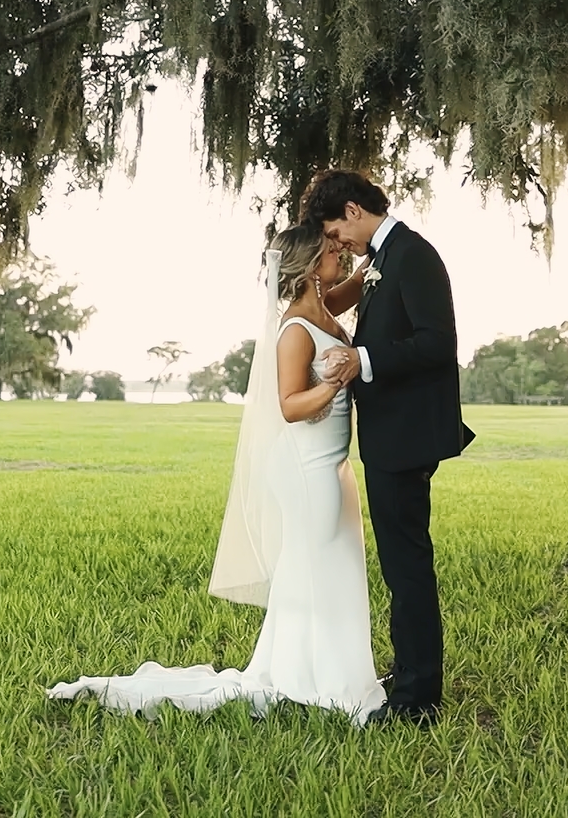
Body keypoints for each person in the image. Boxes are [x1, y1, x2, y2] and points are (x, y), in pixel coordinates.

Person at [47, 221, 387, 724]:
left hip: (333, 466)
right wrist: (338, 380)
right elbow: (291, 406)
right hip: (305, 466)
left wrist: (379, 258)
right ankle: (309, 680)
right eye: (331, 248)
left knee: (333, 571)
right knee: (310, 571)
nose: (340, 251)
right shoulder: (294, 330)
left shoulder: (325, 311)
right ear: (311, 265)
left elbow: (355, 284)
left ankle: (326, 673)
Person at [306, 169, 472, 727]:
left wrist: (363, 362)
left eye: (335, 232)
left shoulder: (412, 255)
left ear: (354, 210)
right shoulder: (382, 258)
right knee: (402, 566)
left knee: (408, 568)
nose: (337, 244)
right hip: (390, 435)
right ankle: (408, 676)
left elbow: (437, 342)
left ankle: (417, 701)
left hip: (405, 438)